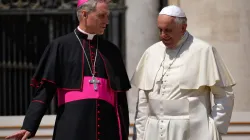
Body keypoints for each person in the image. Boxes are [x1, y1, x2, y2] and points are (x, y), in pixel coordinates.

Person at [5, 0, 131, 140]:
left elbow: (120, 101)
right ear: (84, 14)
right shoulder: (60, 46)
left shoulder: (112, 51)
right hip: (72, 129)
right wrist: (29, 126)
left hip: (108, 132)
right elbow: (44, 92)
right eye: (102, 15)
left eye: (108, 15)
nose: (107, 21)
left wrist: (123, 136)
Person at [131, 5, 235, 140]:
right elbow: (143, 102)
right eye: (160, 30)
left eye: (168, 30)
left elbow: (224, 95)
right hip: (154, 132)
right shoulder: (151, 53)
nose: (163, 35)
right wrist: (140, 135)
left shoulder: (203, 51)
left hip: (193, 132)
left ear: (183, 28)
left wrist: (214, 127)